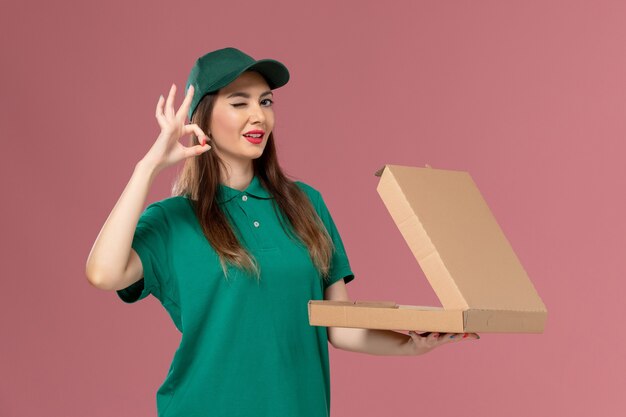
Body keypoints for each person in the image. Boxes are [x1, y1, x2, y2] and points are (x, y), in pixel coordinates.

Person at [85, 47, 479, 417]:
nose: (258, 116)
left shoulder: (307, 204)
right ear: (201, 117)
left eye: (266, 102)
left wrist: (412, 344)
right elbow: (104, 273)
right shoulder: (173, 220)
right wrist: (148, 166)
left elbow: (338, 326)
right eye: (239, 103)